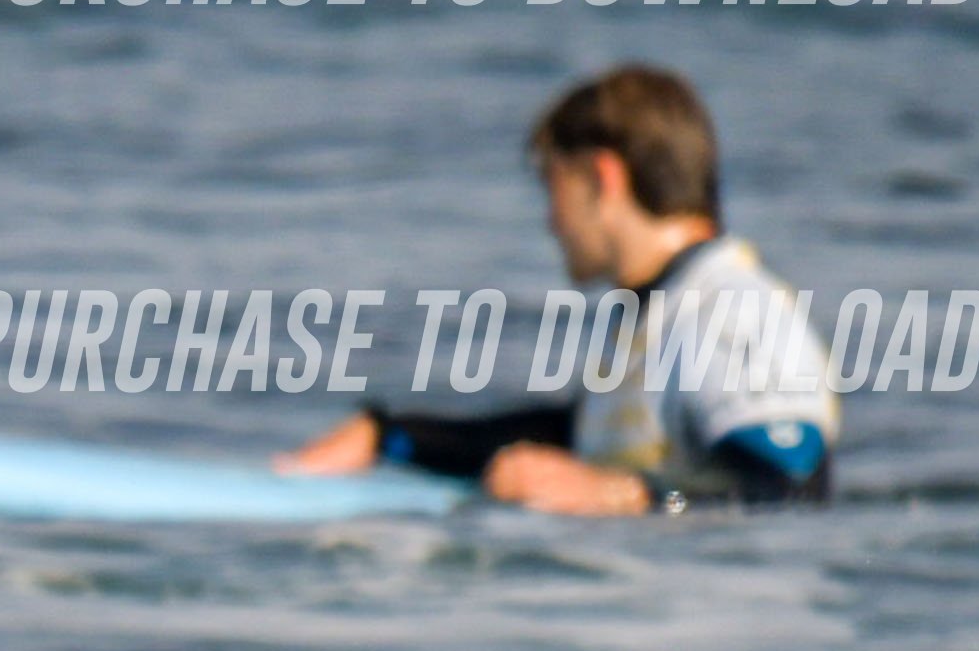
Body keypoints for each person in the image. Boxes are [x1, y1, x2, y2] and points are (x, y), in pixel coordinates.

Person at [277, 65, 830, 512]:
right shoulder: (659, 311)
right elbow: (576, 439)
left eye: (553, 185)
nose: (550, 221)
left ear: (601, 178)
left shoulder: (735, 309)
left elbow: (791, 487)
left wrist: (617, 495)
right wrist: (390, 437)